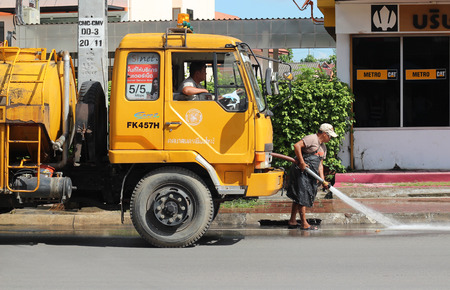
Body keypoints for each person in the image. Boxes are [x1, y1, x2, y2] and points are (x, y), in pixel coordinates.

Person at [286, 123, 337, 230]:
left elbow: (320, 165)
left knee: (298, 196)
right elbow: (297, 146)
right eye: (329, 135)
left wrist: (323, 180)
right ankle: (304, 224)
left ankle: (292, 220)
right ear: (324, 133)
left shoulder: (323, 147)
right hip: (300, 171)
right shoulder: (312, 139)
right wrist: (301, 162)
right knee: (302, 196)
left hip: (310, 174)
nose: (330, 138)